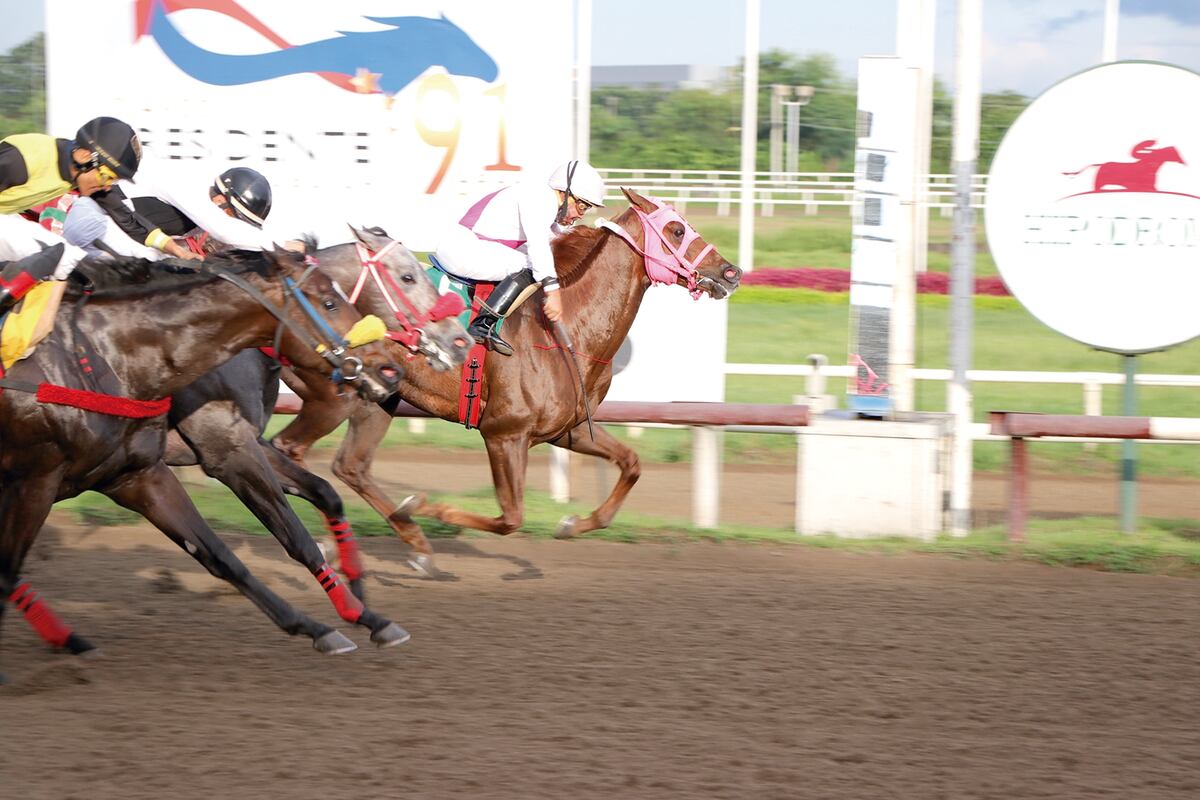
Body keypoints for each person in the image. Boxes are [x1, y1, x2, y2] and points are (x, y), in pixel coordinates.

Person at [434, 159, 606, 356]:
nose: (580, 215)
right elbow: (539, 247)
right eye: (582, 206)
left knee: (538, 263)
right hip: (463, 250)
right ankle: (483, 325)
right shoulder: (540, 198)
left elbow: (559, 237)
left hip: (471, 248)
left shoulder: (544, 201)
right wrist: (553, 292)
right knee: (534, 265)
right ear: (565, 194)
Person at [0, 116, 143, 314]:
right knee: (58, 252)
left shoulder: (77, 172)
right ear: (85, 156)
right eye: (107, 176)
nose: (107, 186)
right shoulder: (21, 160)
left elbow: (125, 217)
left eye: (114, 181)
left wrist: (173, 251)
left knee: (78, 258)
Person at [64, 162, 277, 260]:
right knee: (153, 262)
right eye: (235, 218)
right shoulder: (192, 189)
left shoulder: (200, 212)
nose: (235, 225)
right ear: (221, 199)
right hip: (91, 220)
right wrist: (286, 248)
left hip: (108, 233)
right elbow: (225, 231)